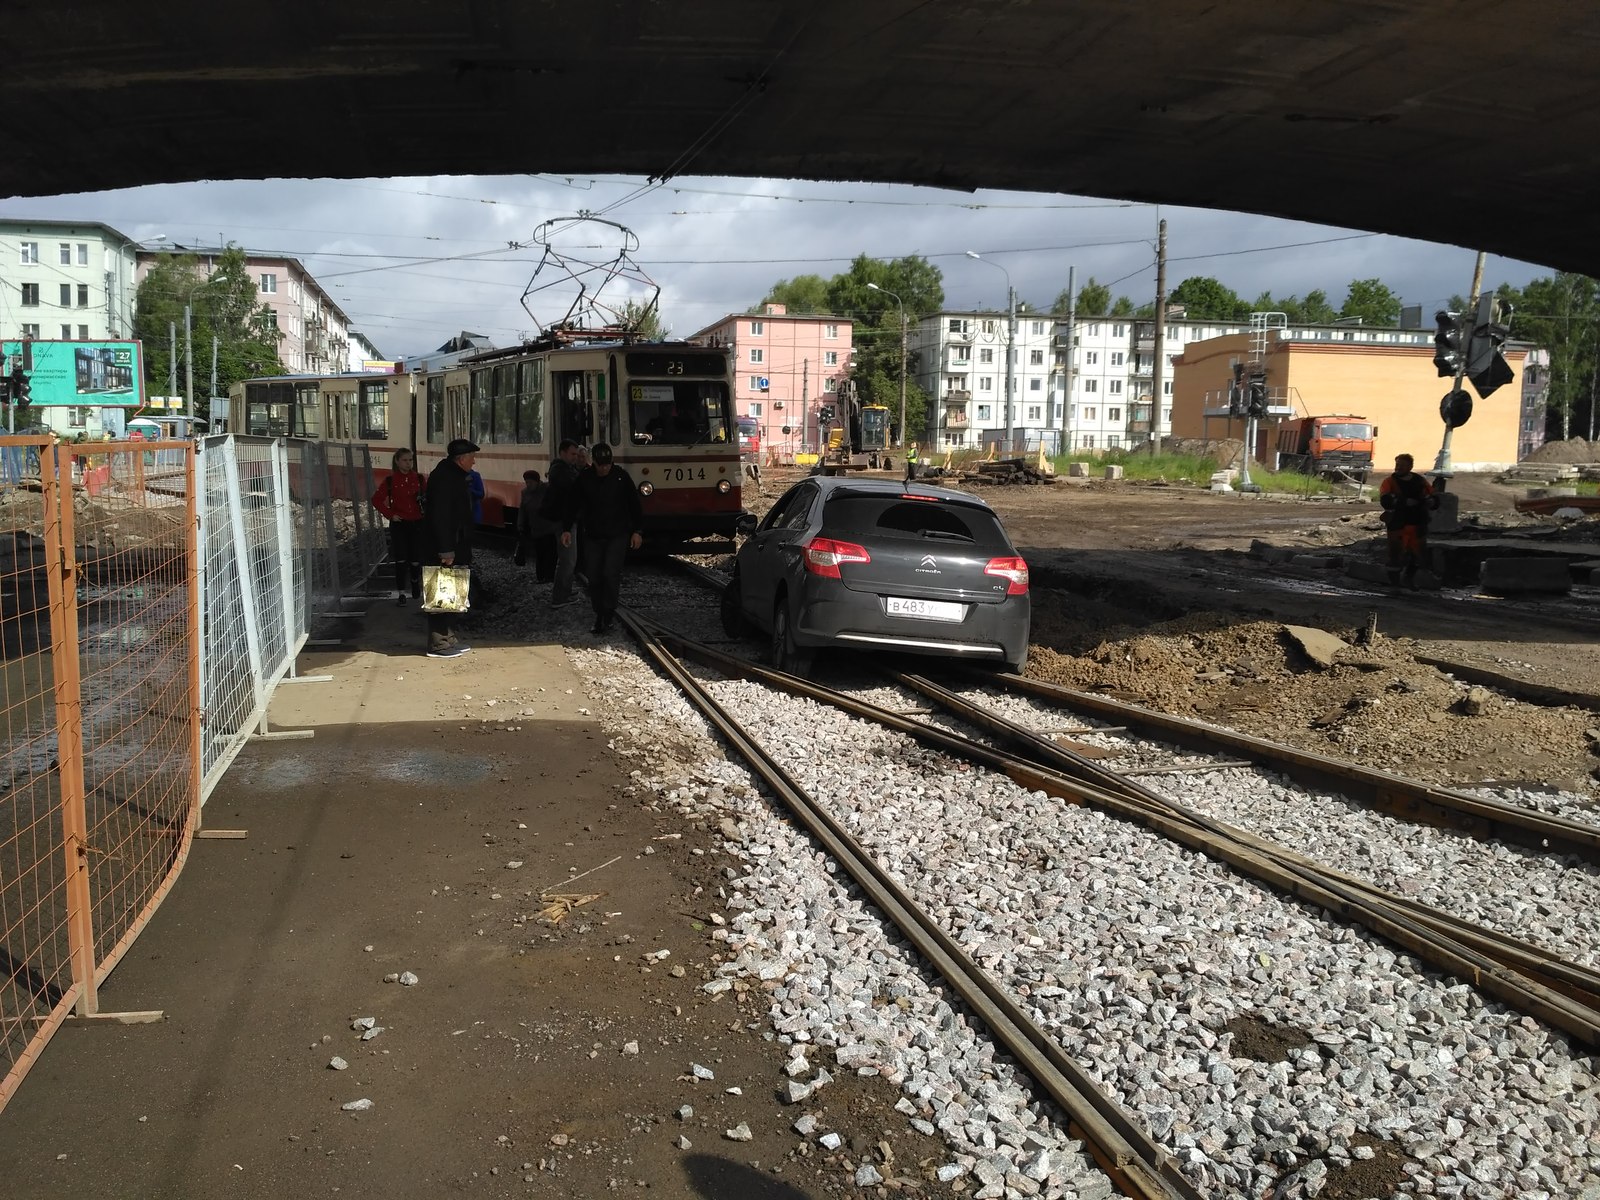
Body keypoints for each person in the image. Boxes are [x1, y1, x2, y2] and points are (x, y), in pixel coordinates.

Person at [560, 442, 643, 635]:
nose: (605, 468)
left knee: (610, 574)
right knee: (595, 576)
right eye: (601, 465)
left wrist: (637, 531)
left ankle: (607, 614)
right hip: (593, 534)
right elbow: (572, 503)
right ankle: (599, 611)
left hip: (617, 534)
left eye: (607, 464)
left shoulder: (621, 477)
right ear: (594, 463)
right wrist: (566, 528)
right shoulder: (585, 478)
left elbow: (634, 504)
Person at [423, 438, 479, 658]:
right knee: (441, 594)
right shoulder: (446, 478)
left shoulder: (451, 475)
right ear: (462, 459)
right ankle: (438, 644)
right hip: (444, 549)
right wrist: (446, 549)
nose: (474, 462)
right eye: (472, 458)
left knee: (453, 593)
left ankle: (449, 638)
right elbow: (442, 516)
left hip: (454, 545)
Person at [371, 448, 426, 606]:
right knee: (401, 558)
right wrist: (390, 514)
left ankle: (415, 581)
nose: (408, 463)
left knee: (415, 558)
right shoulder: (390, 480)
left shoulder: (420, 479)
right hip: (399, 523)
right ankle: (401, 592)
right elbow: (376, 500)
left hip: (417, 522)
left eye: (410, 460)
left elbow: (428, 497)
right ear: (397, 461)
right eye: (405, 460)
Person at [1379, 452, 1438, 591]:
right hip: (1398, 524)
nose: (1398, 468)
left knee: (1418, 555)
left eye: (1402, 465)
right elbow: (1385, 501)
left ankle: (1408, 579)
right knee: (1395, 554)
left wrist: (1431, 502)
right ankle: (1394, 584)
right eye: (1397, 465)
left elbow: (1433, 496)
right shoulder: (1389, 482)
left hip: (1418, 523)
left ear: (1410, 466)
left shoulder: (1420, 481)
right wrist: (1403, 502)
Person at [545, 440, 584, 608]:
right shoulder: (561, 471)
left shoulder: (563, 469)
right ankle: (560, 596)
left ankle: (565, 590)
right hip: (564, 521)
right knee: (567, 559)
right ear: (563, 453)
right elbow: (573, 487)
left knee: (568, 558)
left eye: (576, 454)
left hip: (565, 519)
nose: (575, 457)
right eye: (572, 454)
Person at [515, 468, 559, 583]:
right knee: (540, 554)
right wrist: (520, 525)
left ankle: (549, 576)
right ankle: (541, 576)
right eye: (526, 482)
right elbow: (522, 510)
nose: (528, 484)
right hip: (536, 528)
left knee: (550, 553)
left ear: (536, 481)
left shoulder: (546, 489)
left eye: (530, 482)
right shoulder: (525, 493)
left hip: (549, 527)